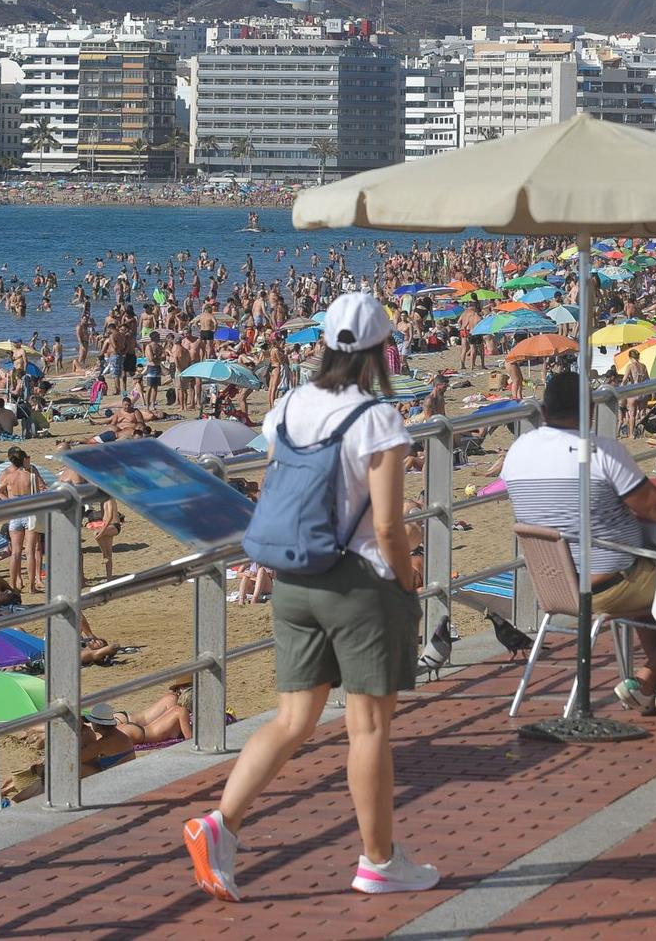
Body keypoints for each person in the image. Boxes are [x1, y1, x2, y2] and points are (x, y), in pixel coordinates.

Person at [183, 291, 439, 902]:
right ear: (382, 350)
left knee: (293, 719)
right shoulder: (377, 418)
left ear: (323, 343)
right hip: (358, 585)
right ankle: (379, 860)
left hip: (292, 579)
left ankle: (221, 824)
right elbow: (385, 524)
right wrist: (407, 580)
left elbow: (282, 487)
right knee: (369, 726)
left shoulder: (290, 404)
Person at [500, 370, 656, 714]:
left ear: (544, 412)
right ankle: (648, 680)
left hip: (556, 584)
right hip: (611, 583)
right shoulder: (598, 451)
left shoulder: (517, 452)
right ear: (590, 410)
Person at [0, 446, 46, 593]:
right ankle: (31, 587)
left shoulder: (8, 476)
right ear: (23, 460)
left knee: (15, 552)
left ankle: (12, 585)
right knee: (30, 552)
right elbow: (42, 491)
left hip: (15, 514)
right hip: (29, 513)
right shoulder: (30, 475)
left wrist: (8, 504)